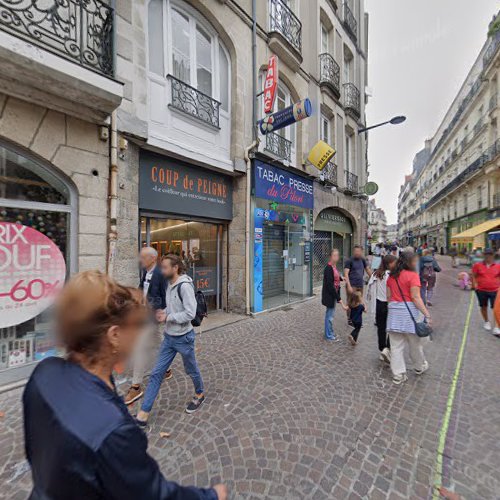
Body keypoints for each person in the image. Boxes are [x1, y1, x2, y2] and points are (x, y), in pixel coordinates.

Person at [23, 271, 226, 500]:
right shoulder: (114, 432)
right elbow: (155, 495)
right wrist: (212, 496)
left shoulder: (43, 374)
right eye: (136, 326)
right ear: (115, 335)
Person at [137, 254, 206, 426]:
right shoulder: (168, 284)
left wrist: (168, 316)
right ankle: (143, 414)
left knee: (191, 369)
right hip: (169, 338)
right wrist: (163, 312)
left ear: (175, 268)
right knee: (157, 373)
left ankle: (199, 394)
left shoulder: (184, 286)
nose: (162, 270)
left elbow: (190, 313)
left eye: (165, 267)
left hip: (184, 338)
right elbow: (171, 305)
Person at [124, 247, 170, 405]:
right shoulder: (146, 272)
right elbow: (143, 289)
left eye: (143, 257)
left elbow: (165, 297)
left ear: (152, 258)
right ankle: (166, 367)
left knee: (140, 347)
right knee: (160, 342)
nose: (140, 260)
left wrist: (154, 308)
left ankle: (136, 386)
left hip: (152, 316)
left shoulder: (161, 274)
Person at [386, 251, 432, 385]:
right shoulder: (413, 276)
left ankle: (398, 374)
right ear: (410, 262)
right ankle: (419, 366)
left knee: (396, 347)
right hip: (409, 315)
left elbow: (388, 297)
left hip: (394, 314)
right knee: (415, 345)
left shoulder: (391, 277)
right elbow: (416, 298)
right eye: (414, 261)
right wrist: (427, 314)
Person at [367, 255, 398, 363]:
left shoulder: (377, 274)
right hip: (389, 304)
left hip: (379, 304)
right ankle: (387, 349)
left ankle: (382, 349)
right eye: (394, 262)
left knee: (381, 328)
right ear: (389, 263)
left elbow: (370, 288)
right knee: (391, 329)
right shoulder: (391, 275)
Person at [471, 248, 500, 335]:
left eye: (490, 255)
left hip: (495, 290)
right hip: (481, 289)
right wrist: (474, 285)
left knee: (496, 309)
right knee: (483, 306)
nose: (488, 257)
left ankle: (497, 326)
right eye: (486, 255)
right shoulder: (477, 265)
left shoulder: (497, 266)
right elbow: (473, 276)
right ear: (484, 255)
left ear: (492, 256)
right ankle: (486, 321)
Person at [321, 249, 343, 342]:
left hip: (332, 295)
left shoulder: (334, 266)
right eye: (334, 255)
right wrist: (339, 298)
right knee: (329, 316)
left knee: (330, 315)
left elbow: (336, 277)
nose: (336, 257)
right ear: (330, 257)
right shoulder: (328, 268)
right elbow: (330, 285)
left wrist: (341, 278)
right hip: (330, 295)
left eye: (337, 255)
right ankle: (328, 336)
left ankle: (329, 332)